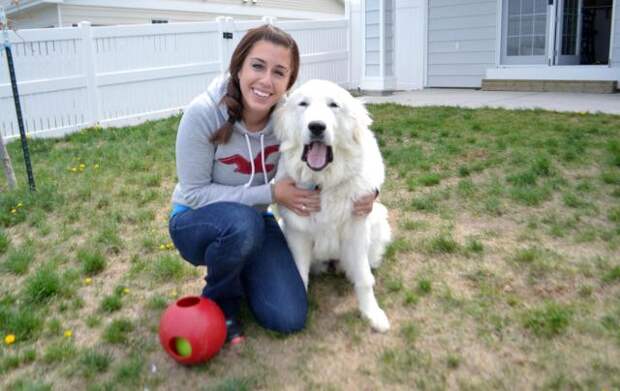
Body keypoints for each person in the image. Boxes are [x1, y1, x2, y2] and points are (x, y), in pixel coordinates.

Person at [168, 24, 377, 345]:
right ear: (238, 67)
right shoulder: (203, 114)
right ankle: (222, 302)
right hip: (195, 219)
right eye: (257, 66)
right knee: (243, 224)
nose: (266, 80)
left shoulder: (288, 116)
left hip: (255, 220)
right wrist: (270, 193)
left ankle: (247, 270)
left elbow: (351, 149)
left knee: (289, 317)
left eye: (279, 72)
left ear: (289, 83)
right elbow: (194, 193)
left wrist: (370, 190)